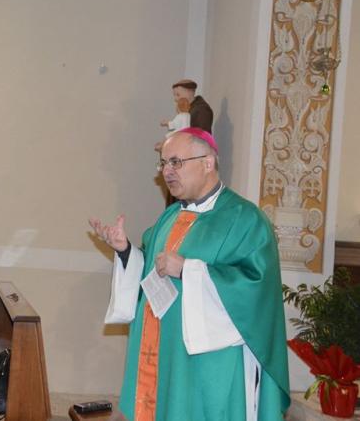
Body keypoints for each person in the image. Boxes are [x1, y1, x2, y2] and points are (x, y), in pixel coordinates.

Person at [89, 128, 289, 420]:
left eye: (175, 162)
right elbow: (151, 269)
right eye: (163, 164)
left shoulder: (245, 218)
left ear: (207, 163)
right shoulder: (170, 216)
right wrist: (125, 251)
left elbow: (256, 288)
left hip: (212, 363)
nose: (166, 172)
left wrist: (187, 269)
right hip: (166, 352)